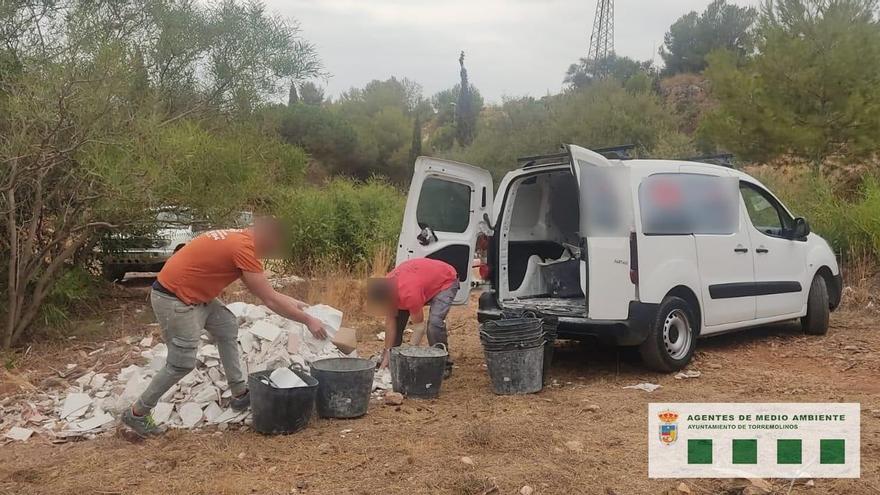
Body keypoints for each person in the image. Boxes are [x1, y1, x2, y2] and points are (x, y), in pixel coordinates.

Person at [122, 217, 327, 437]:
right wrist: (308, 320)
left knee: (226, 325)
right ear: (268, 236)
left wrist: (293, 303)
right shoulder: (244, 248)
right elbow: (270, 300)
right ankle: (138, 413)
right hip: (175, 299)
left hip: (197, 295)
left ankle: (239, 393)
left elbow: (269, 293)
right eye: (276, 244)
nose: (274, 250)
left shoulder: (241, 237)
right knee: (181, 363)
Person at [367, 258, 460, 377]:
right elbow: (390, 323)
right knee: (396, 321)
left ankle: (443, 363)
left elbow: (419, 328)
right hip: (419, 279)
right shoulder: (386, 286)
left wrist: (409, 356)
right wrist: (387, 354)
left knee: (434, 324)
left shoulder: (410, 294)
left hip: (446, 279)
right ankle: (392, 359)